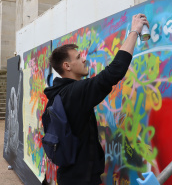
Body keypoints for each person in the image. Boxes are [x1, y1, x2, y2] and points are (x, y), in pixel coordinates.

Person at [43, 14, 149, 185]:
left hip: (70, 177)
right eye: (78, 57)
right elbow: (113, 72)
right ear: (67, 66)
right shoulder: (73, 93)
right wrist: (134, 31)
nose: (84, 59)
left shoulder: (57, 94)